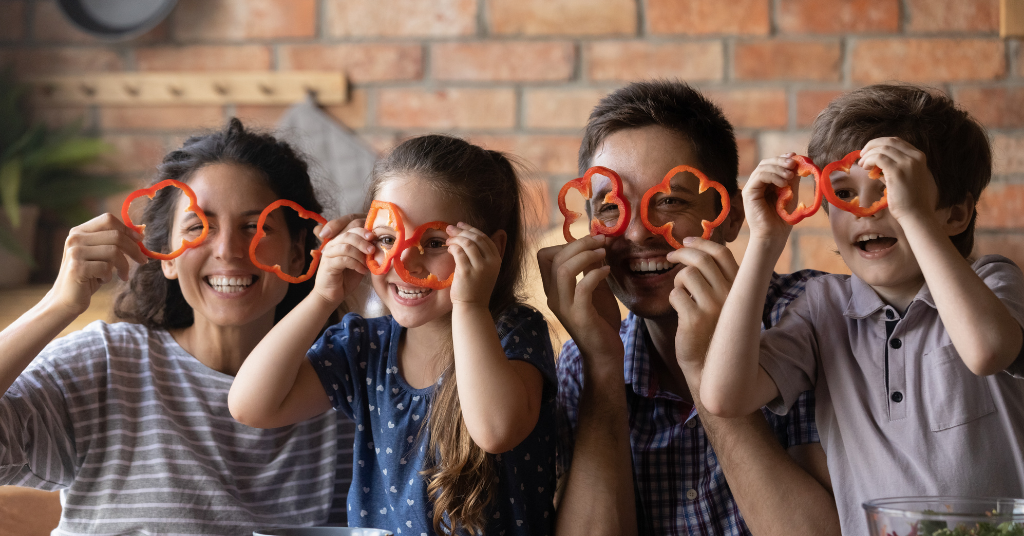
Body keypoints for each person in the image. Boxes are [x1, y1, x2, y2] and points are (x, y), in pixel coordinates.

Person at [0, 118, 362, 534]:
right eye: (198, 228)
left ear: (299, 255)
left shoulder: (344, 384)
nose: (228, 250)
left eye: (253, 227)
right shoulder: (106, 363)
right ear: (167, 256)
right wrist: (57, 305)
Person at [701, 84, 1024, 535]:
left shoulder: (993, 282)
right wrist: (765, 241)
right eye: (844, 193)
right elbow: (724, 397)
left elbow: (987, 350)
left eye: (891, 191)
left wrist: (913, 215)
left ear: (954, 215)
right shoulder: (822, 308)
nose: (866, 211)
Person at [539, 80, 840, 536]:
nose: (638, 233)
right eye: (611, 207)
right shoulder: (584, 361)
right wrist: (602, 367)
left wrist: (704, 369)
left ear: (733, 214)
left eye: (670, 201)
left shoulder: (816, 319)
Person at [229, 134, 557, 536]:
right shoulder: (365, 346)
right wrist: (322, 296)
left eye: (434, 242)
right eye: (387, 239)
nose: (404, 261)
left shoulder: (515, 332)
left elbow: (494, 431)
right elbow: (251, 406)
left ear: (492, 248)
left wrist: (470, 304)